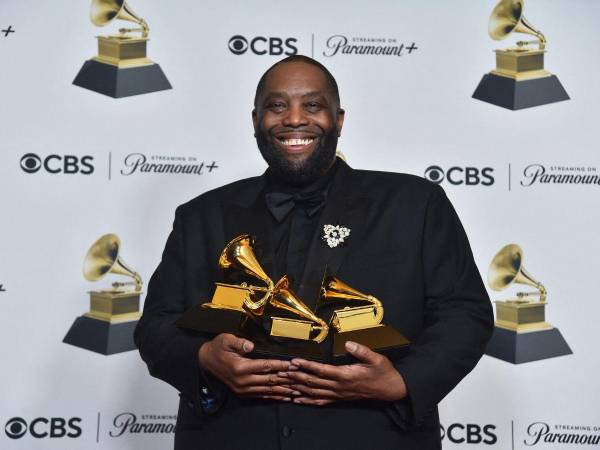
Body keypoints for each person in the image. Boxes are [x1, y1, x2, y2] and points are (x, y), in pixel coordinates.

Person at [135, 55, 494, 450]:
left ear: (338, 119)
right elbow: (156, 328)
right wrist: (204, 357)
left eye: (312, 105)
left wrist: (403, 382)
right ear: (255, 120)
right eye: (277, 106)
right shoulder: (200, 216)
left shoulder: (415, 204)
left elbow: (465, 313)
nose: (293, 119)